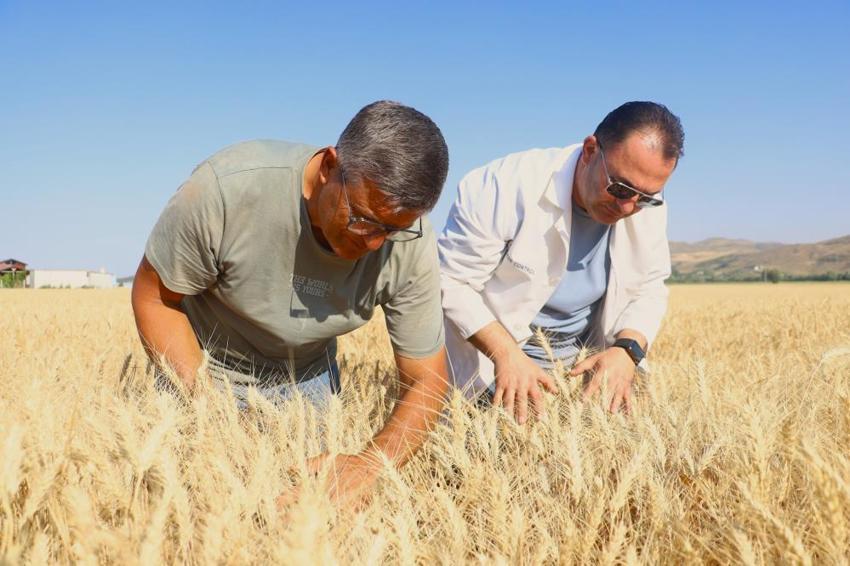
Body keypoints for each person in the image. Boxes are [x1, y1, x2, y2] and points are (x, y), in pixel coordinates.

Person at [131, 100, 450, 505]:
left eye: (392, 231)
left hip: (306, 378)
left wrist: (369, 465)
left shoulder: (412, 242)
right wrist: (209, 407)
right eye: (363, 219)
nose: (372, 244)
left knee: (307, 508)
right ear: (329, 167)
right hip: (203, 362)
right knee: (186, 500)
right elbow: (155, 296)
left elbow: (427, 378)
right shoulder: (227, 188)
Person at [438, 101, 684, 422]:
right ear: (590, 150)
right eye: (620, 188)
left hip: (583, 367)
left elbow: (650, 288)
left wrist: (627, 351)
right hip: (498, 359)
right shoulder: (503, 184)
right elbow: (452, 282)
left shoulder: (646, 203)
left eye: (647, 196)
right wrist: (506, 355)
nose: (628, 207)